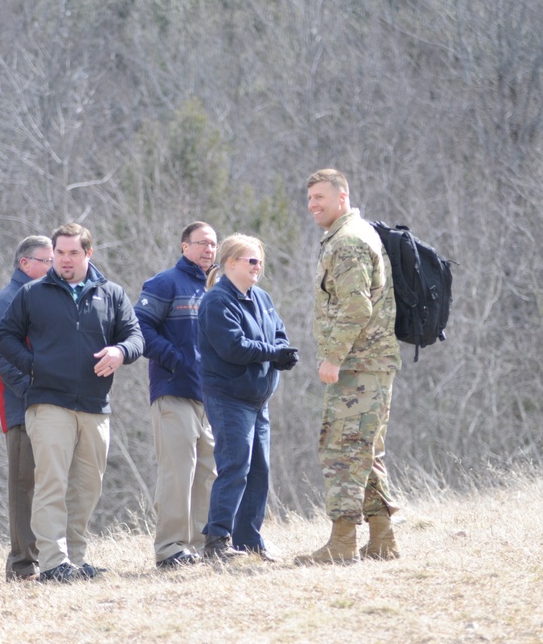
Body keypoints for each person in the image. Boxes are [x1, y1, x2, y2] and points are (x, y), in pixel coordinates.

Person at [0, 222, 144, 582]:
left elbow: (136, 336)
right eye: (59, 253)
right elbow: (4, 338)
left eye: (73, 252)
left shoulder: (112, 293)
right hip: (48, 403)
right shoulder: (32, 293)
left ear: (88, 254)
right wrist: (36, 367)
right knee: (52, 483)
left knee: (87, 486)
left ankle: (75, 560)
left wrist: (120, 351)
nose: (64, 259)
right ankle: (53, 562)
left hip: (95, 405)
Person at [295, 169, 402, 566]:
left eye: (320, 197)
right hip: (369, 364)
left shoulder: (349, 241)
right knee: (366, 451)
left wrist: (334, 356)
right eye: (309, 199)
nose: (313, 205)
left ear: (342, 197)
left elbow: (357, 306)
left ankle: (342, 543)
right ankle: (382, 539)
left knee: (341, 450)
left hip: (359, 365)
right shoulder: (349, 235)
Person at [197, 234, 297, 561]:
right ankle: (216, 541)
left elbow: (278, 332)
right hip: (229, 398)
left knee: (259, 470)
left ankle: (249, 541)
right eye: (251, 261)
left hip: (258, 399)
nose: (258, 267)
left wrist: (283, 351)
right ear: (230, 263)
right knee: (235, 466)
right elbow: (233, 347)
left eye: (260, 261)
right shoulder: (216, 301)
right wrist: (274, 353)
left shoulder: (263, 298)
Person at [134, 222, 218, 569]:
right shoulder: (165, 282)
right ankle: (170, 548)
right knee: (177, 474)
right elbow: (139, 327)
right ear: (184, 247)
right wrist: (176, 359)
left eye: (214, 244)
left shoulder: (219, 286)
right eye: (201, 244)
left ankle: (200, 546)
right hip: (174, 392)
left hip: (211, 396)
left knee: (208, 474)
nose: (209, 250)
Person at [0, 235, 53, 581]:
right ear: (25, 263)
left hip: (49, 406)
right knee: (24, 486)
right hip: (21, 408)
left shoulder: (41, 299)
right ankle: (22, 563)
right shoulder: (7, 300)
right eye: (47, 261)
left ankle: (49, 555)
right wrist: (33, 390)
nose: (53, 267)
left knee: (48, 484)